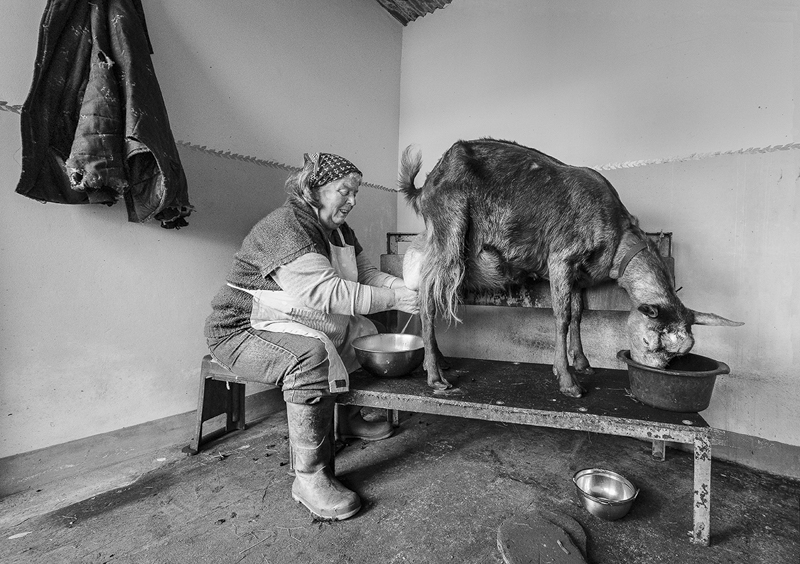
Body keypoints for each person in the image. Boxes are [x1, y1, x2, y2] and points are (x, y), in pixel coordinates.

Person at [204, 152, 419, 521]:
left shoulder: (338, 231)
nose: (351, 201)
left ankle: (347, 421)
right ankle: (310, 477)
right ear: (314, 188)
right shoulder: (285, 227)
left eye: (356, 194)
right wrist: (396, 298)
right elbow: (325, 294)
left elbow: (364, 276)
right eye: (344, 191)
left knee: (364, 331)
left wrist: (408, 289)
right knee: (311, 357)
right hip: (243, 329)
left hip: (290, 321)